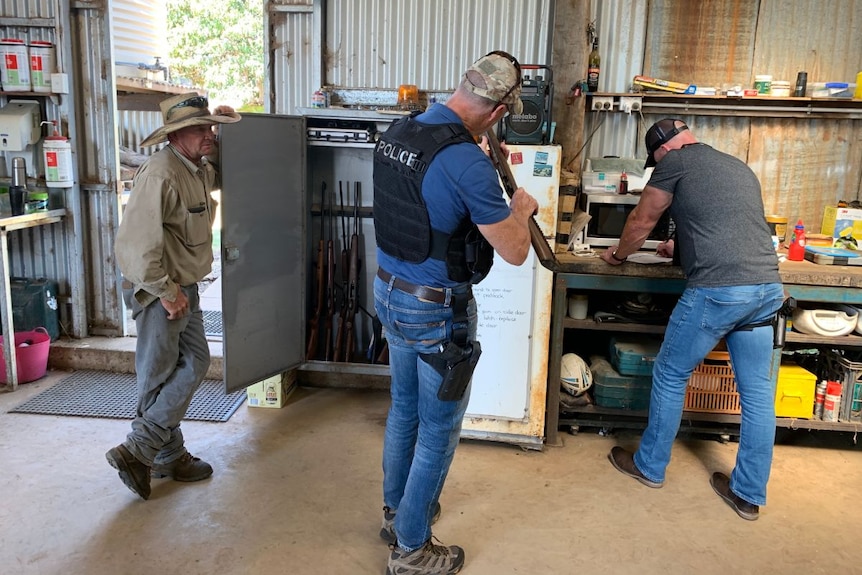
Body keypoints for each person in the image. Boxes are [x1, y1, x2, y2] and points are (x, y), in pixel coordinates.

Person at [372, 51, 538, 574]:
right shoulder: (467, 162)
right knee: (438, 429)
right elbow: (513, 249)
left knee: (404, 410)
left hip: (388, 294)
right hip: (435, 312)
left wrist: (482, 158)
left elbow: (431, 193)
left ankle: (398, 513)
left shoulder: (401, 129)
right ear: (496, 113)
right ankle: (412, 549)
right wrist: (522, 209)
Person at [601, 118, 784, 521]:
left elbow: (642, 221)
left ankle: (649, 467)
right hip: (767, 288)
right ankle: (748, 494)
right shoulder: (735, 164)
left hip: (720, 291)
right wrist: (679, 245)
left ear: (662, 151)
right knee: (756, 394)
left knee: (669, 373)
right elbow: (723, 222)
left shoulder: (675, 162)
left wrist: (617, 255)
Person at [106, 92, 240, 500]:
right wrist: (165, 291)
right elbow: (134, 247)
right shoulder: (160, 173)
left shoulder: (195, 168)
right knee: (157, 375)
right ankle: (146, 451)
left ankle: (154, 451)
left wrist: (232, 131)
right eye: (201, 128)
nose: (209, 134)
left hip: (185, 286)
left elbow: (222, 172)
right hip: (159, 289)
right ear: (177, 134)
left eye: (210, 127)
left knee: (194, 361)